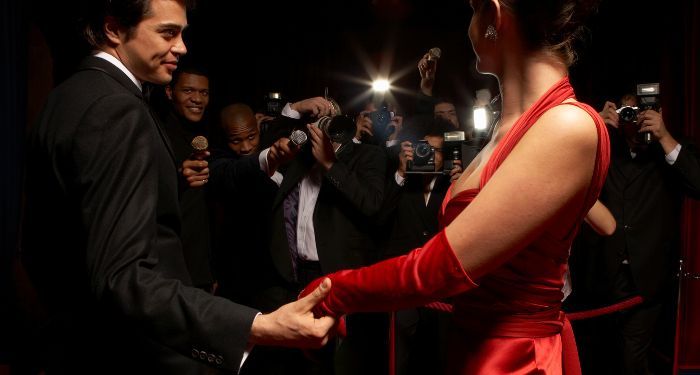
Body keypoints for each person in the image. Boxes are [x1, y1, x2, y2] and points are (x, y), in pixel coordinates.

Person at [20, 0, 335, 373]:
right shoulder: (116, 108)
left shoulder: (67, 95)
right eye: (168, 32)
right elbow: (122, 277)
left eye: (182, 33)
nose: (182, 47)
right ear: (113, 29)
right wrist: (258, 325)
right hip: (130, 351)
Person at [299, 0, 609, 374]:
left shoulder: (565, 125)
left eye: (471, 10)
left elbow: (440, 266)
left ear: (493, 17)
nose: (468, 28)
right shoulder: (506, 127)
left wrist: (334, 291)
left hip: (516, 361)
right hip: (471, 347)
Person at [567, 92, 700, 374]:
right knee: (600, 355)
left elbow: (697, 183)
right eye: (630, 111)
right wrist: (592, 130)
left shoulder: (672, 149)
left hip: (647, 278)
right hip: (601, 274)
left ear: (659, 112)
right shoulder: (603, 147)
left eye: (644, 110)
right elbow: (561, 175)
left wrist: (664, 137)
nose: (637, 118)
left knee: (632, 358)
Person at [161, 65, 216, 292]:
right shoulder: (159, 133)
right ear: (169, 92)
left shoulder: (209, 133)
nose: (197, 99)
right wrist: (178, 177)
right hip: (169, 267)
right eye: (188, 91)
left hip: (200, 266)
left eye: (204, 93)